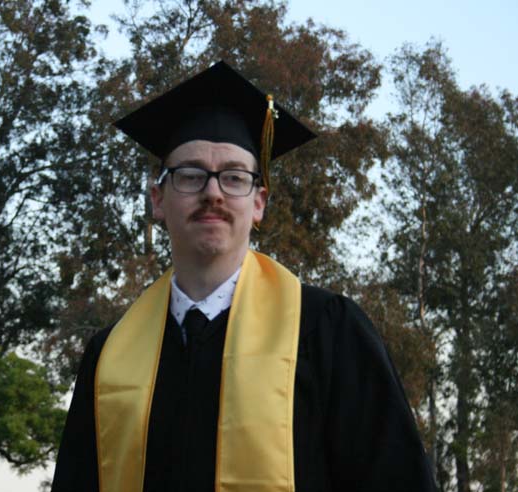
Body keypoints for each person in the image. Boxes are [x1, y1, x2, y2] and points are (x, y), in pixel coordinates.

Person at [51, 61, 435, 492]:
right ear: (158, 200)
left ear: (258, 204)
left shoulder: (327, 332)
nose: (212, 192)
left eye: (234, 177)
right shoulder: (109, 356)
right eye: (191, 175)